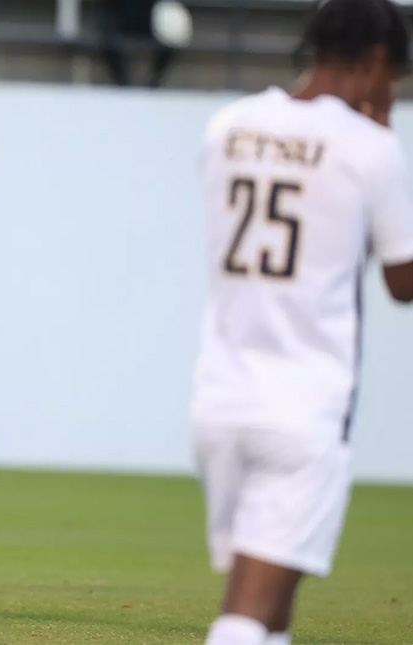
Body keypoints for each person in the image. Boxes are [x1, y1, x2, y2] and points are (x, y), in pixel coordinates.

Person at [191, 0, 413, 642]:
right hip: (303, 408)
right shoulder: (371, 148)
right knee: (244, 617)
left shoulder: (227, 127)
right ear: (375, 62)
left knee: (271, 615)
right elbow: (403, 282)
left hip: (220, 402)